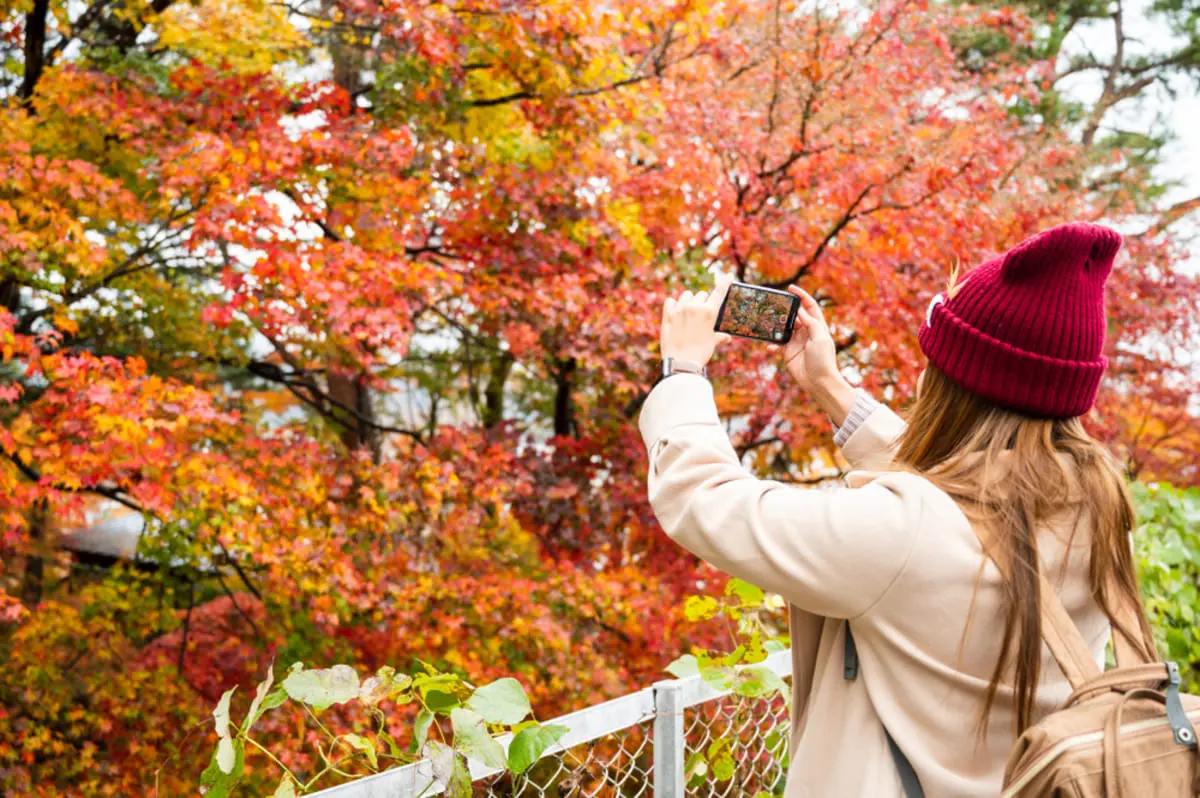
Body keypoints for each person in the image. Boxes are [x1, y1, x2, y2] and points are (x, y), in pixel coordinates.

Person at [639, 222, 1158, 796]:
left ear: (957, 384)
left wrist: (682, 374)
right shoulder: (1098, 512)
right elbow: (966, 494)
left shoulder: (902, 532)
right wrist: (829, 386)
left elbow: (704, 500)